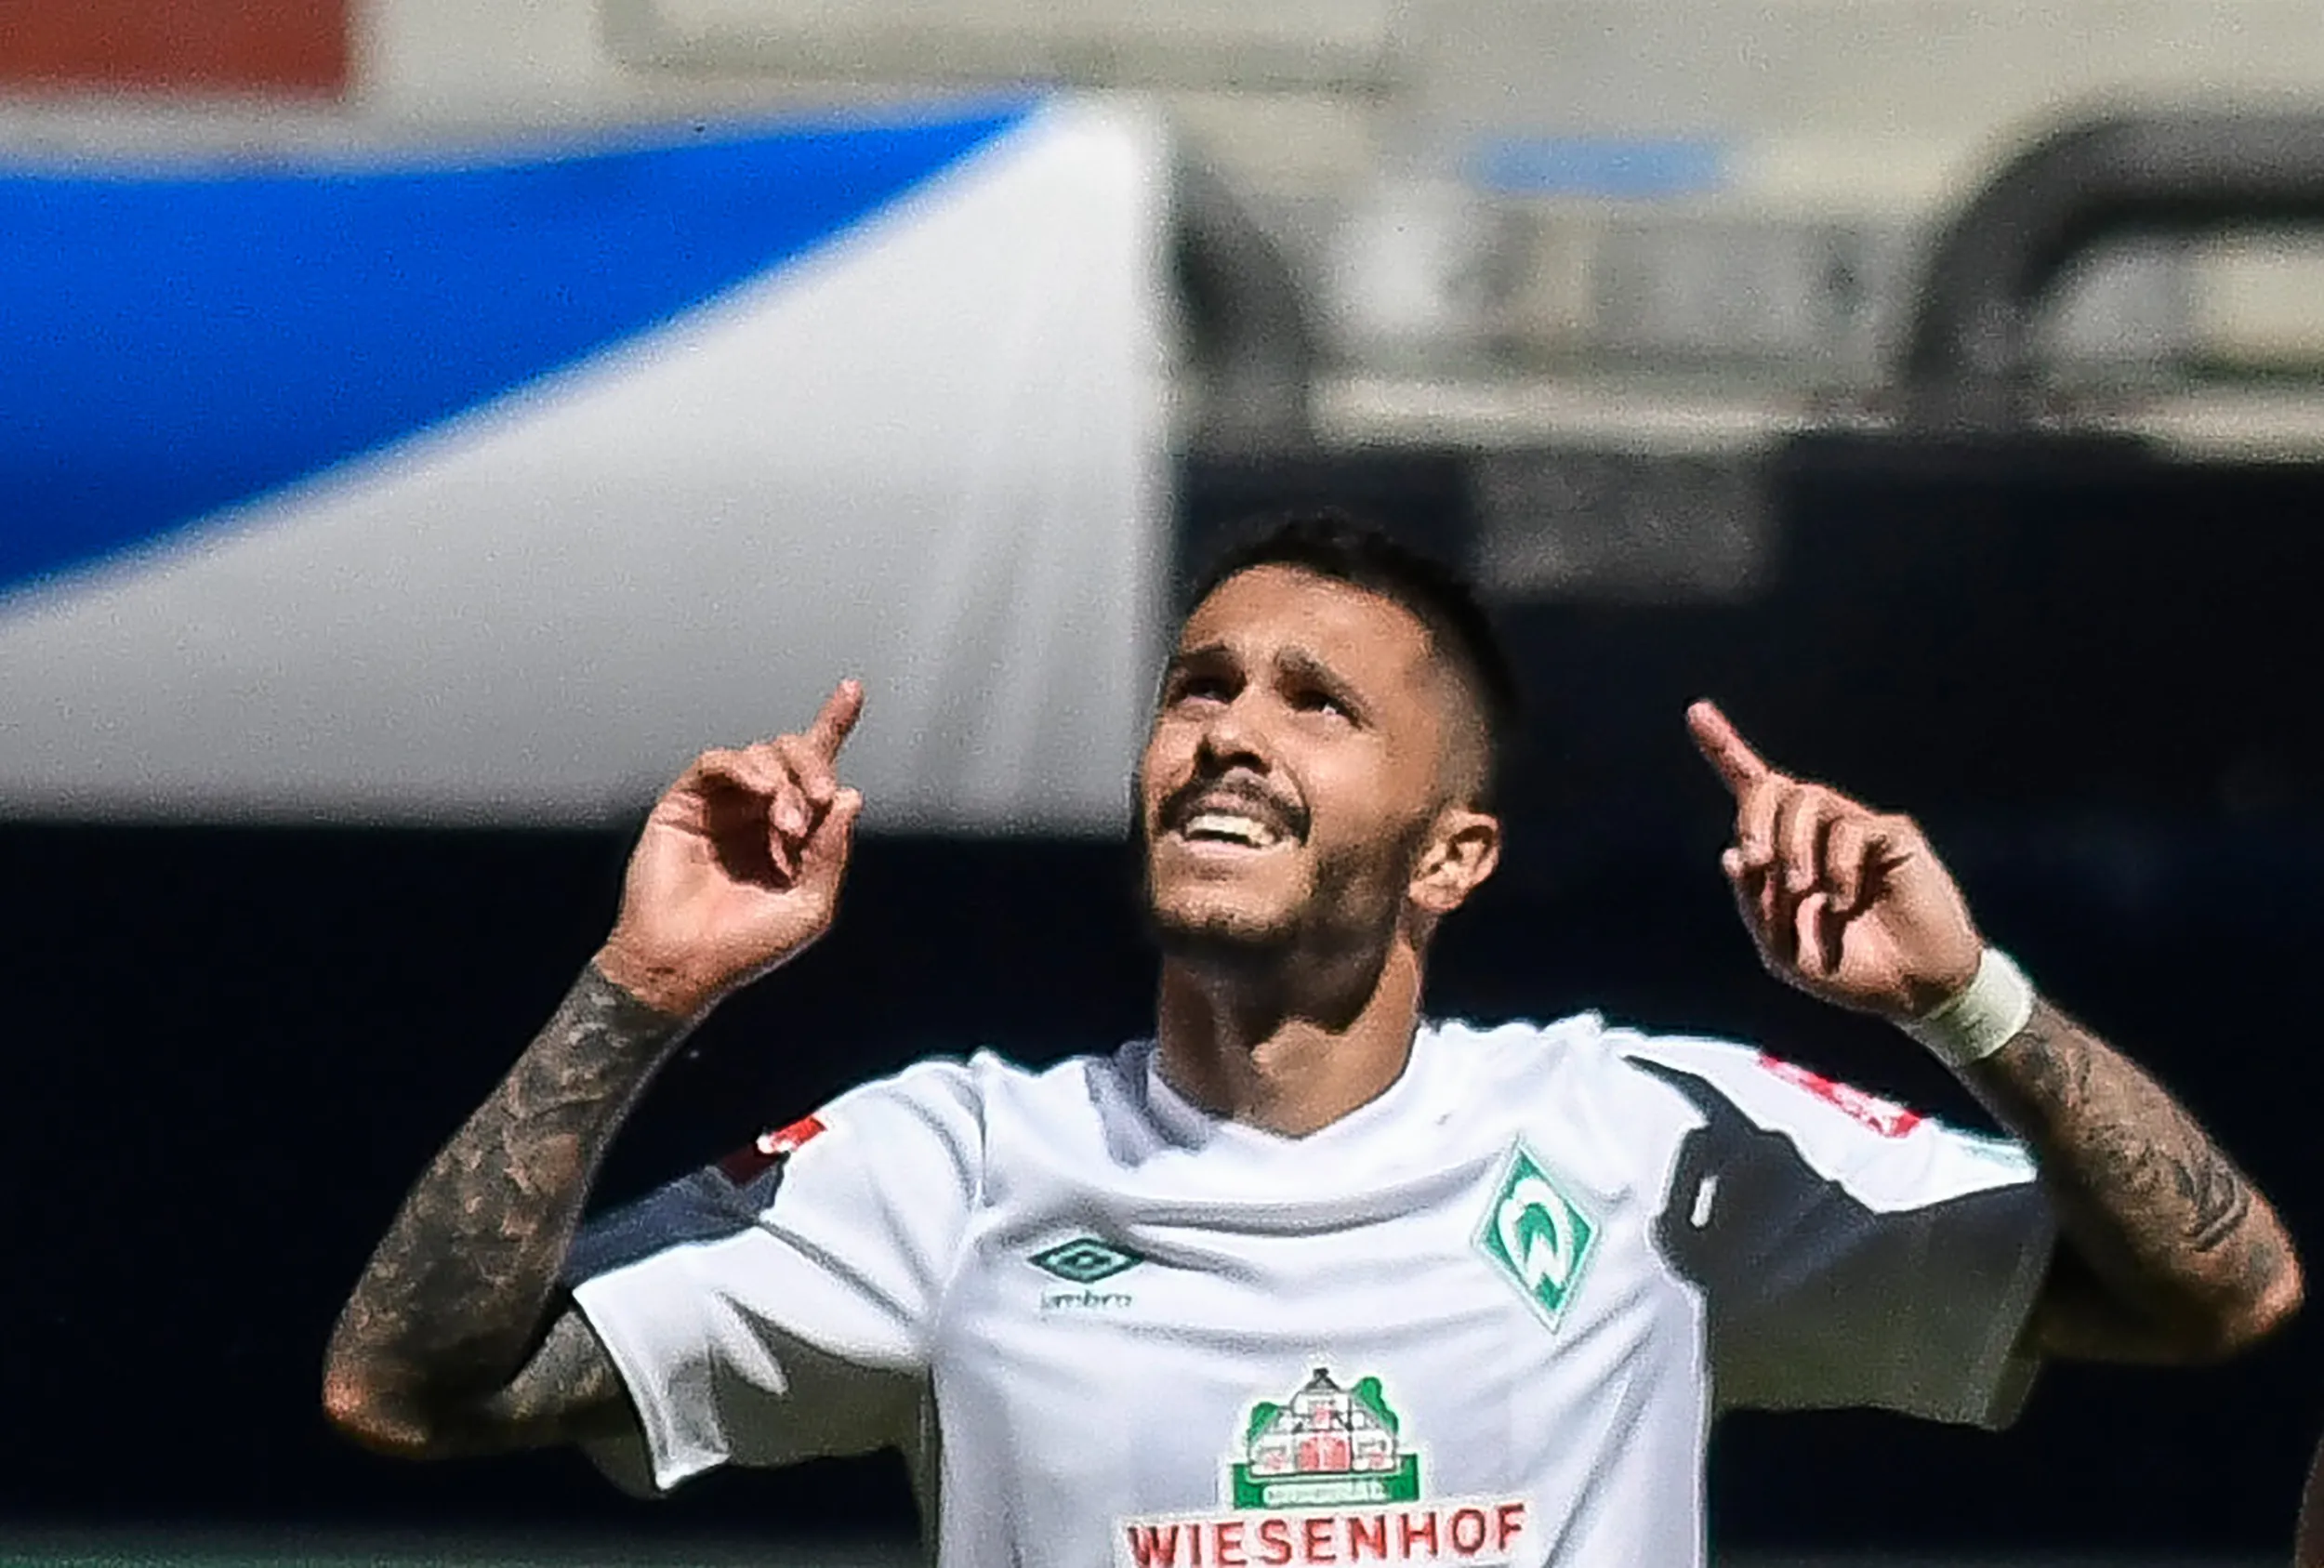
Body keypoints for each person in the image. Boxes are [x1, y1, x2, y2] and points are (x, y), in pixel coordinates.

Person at [324, 511, 2300, 1568]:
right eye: (1198, 687)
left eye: (1313, 704)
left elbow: (2219, 1291)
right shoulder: (955, 1166)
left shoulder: (1631, 1135)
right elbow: (405, 1389)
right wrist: (641, 989)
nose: (1228, 733)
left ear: (1452, 855)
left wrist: (1966, 1001)